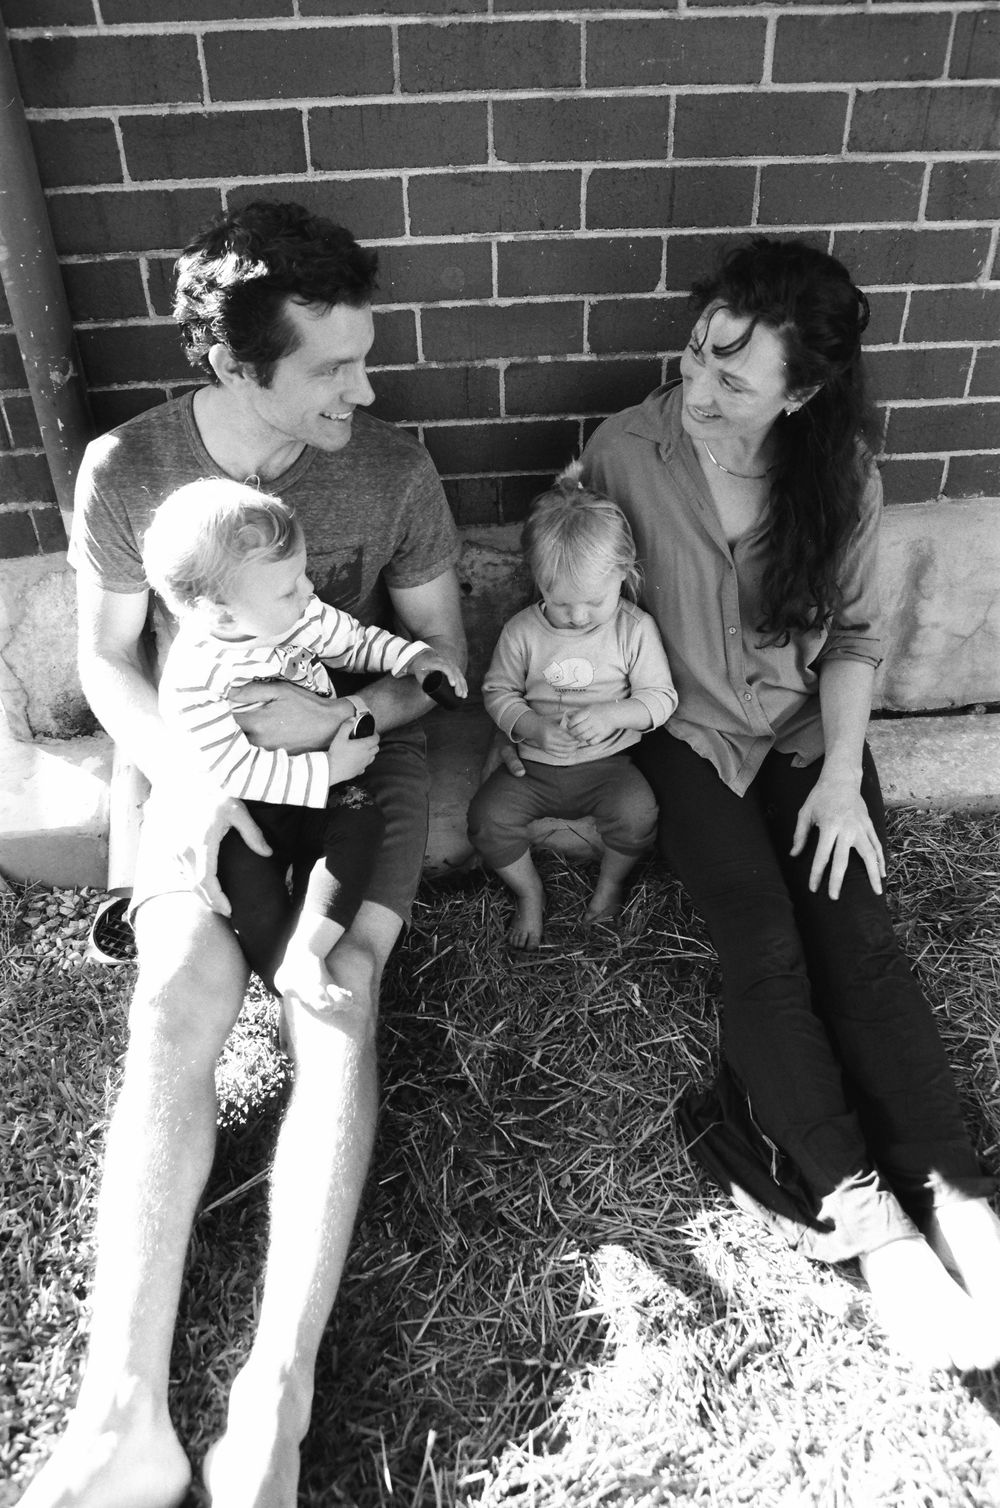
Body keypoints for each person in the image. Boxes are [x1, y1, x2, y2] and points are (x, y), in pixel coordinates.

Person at [21, 200, 466, 1508]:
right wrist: (209, 778)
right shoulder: (127, 470)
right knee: (175, 1004)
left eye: (363, 356)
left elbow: (434, 664)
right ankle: (121, 1416)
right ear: (232, 364)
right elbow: (108, 660)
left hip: (346, 772)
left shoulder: (391, 470)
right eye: (332, 368)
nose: (366, 387)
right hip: (190, 770)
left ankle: (275, 1392)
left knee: (334, 1000)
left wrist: (341, 735)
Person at [518, 237, 1000, 1373]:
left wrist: (842, 778)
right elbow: (588, 600)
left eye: (735, 376)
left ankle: (962, 1196)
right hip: (680, 733)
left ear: (804, 390)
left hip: (798, 734)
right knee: (763, 940)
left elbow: (854, 640)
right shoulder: (625, 451)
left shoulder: (842, 472)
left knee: (860, 936)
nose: (699, 385)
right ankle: (862, 1212)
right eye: (697, 353)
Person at [143, 478, 466, 1013]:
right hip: (255, 809)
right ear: (221, 612)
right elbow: (232, 767)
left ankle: (308, 949)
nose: (310, 591)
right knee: (246, 882)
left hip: (325, 784)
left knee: (362, 822)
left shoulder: (301, 617)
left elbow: (356, 641)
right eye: (289, 587)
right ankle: (282, 980)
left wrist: (411, 659)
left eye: (303, 575)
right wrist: (330, 771)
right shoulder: (195, 679)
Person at [467, 463, 676, 949]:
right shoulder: (522, 631)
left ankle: (610, 885)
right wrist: (529, 728)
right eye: (560, 603)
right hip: (532, 770)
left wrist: (613, 716)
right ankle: (529, 892)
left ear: (624, 574)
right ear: (538, 581)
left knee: (638, 814)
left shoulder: (633, 629)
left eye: (593, 602)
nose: (578, 616)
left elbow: (661, 698)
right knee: (486, 818)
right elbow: (498, 692)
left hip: (608, 767)